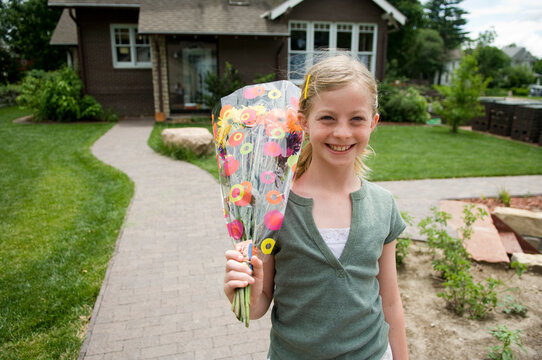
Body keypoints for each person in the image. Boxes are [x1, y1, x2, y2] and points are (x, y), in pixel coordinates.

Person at [224, 54, 409, 360]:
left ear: (373, 123)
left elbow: (390, 301)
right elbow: (258, 306)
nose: (342, 132)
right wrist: (243, 293)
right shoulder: (273, 206)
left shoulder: (383, 205)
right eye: (327, 118)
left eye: (357, 119)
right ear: (304, 120)